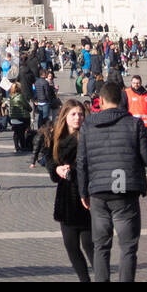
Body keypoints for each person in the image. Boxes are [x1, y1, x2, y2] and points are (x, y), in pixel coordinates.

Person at [77, 79, 147, 282]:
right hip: (125, 190)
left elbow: (81, 161)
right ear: (122, 99)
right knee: (128, 247)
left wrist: (83, 191)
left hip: (98, 191)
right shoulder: (134, 123)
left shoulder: (88, 124)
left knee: (101, 246)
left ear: (101, 100)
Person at [44, 99, 92, 282]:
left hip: (85, 196)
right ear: (65, 116)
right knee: (71, 245)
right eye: (73, 114)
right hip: (66, 198)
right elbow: (49, 161)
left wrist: (72, 171)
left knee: (89, 245)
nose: (78, 118)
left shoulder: (87, 136)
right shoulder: (55, 138)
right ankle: (84, 279)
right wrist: (56, 170)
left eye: (80, 114)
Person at [7, 81, 30, 151]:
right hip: (21, 117)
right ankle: (23, 146)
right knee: (22, 132)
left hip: (12, 117)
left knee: (16, 132)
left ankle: (16, 146)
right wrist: (30, 109)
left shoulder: (11, 96)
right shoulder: (20, 97)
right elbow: (26, 106)